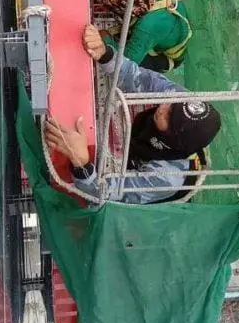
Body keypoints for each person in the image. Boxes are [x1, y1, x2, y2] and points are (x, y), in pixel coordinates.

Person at [44, 25, 221, 205]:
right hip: (150, 144)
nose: (163, 107)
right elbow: (140, 78)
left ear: (174, 137)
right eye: (172, 103)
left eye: (169, 117)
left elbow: (107, 194)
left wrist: (81, 162)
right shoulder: (180, 100)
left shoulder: (167, 177)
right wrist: (104, 53)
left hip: (147, 196)